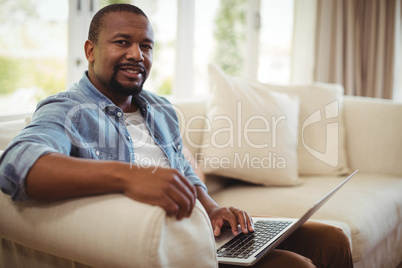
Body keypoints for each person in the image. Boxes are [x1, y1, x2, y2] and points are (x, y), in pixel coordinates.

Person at [0, 4, 353, 268]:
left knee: (332, 240)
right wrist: (128, 177)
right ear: (90, 51)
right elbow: (16, 165)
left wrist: (214, 210)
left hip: (206, 232)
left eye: (147, 46)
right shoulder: (67, 109)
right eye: (122, 42)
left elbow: (183, 172)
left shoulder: (160, 108)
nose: (137, 55)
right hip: (166, 248)